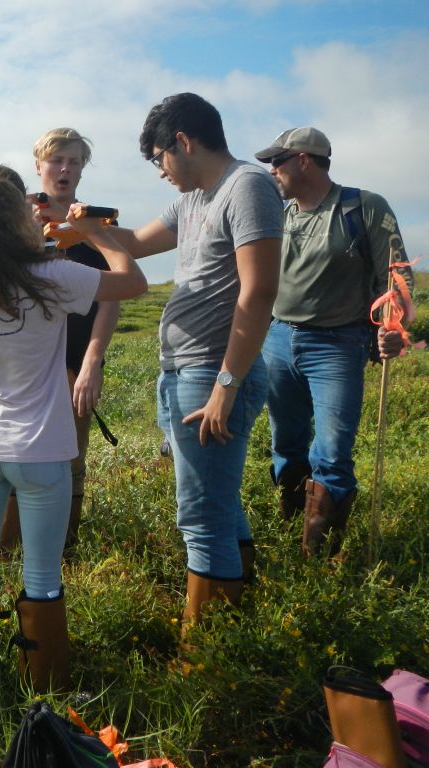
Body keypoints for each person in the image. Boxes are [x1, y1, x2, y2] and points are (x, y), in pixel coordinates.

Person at [0, 164, 147, 693]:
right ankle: (47, 691)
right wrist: (92, 232)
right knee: (42, 578)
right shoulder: (54, 276)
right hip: (42, 450)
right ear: (19, 216)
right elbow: (134, 282)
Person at [103, 94, 283, 631]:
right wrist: (82, 228)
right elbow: (132, 242)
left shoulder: (246, 188)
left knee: (201, 515)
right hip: (183, 371)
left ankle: (207, 651)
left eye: (160, 158)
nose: (160, 171)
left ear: (184, 142)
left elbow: (259, 292)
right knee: (219, 502)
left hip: (213, 371)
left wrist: (227, 384)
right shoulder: (193, 199)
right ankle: (243, 620)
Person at [254, 127, 413, 557]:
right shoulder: (277, 214)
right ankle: (293, 528)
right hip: (278, 338)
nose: (272, 170)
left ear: (305, 160)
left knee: (333, 452)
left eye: (278, 160)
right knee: (285, 443)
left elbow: (396, 273)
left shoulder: (363, 207)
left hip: (338, 346)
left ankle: (319, 560)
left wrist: (393, 327)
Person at [0, 127, 121, 557]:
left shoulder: (97, 222)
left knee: (71, 459)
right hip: (26, 359)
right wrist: (29, 232)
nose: (65, 169)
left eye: (74, 161)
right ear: (38, 166)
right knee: (19, 454)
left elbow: (113, 296)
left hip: (76, 355)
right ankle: (9, 552)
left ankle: (62, 552)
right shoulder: (17, 214)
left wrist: (92, 362)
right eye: (56, 160)